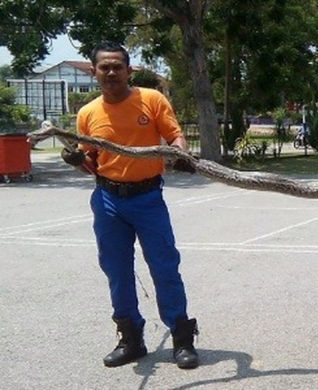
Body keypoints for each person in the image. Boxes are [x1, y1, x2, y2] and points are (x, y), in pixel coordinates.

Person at [60, 42, 200, 369]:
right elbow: (89, 162)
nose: (111, 72)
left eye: (117, 67)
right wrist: (75, 159)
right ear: (94, 72)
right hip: (108, 200)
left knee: (165, 267)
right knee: (117, 271)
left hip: (148, 198)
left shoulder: (151, 100)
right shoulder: (88, 113)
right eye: (104, 67)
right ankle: (131, 338)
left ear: (129, 70)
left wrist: (181, 154)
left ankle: (182, 338)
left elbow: (175, 137)